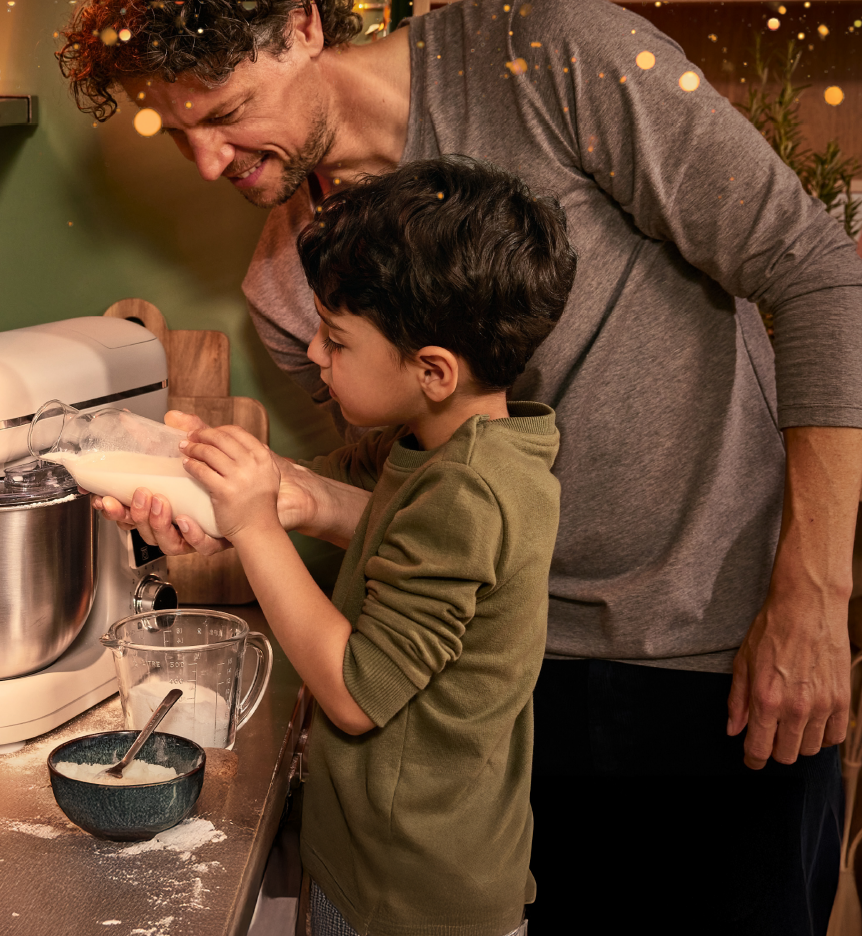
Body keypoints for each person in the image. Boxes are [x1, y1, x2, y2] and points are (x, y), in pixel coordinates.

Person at [58, 1, 862, 931]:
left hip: (707, 658)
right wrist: (289, 497)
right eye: (179, 131)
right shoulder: (293, 288)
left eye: (229, 109)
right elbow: (436, 508)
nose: (208, 163)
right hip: (486, 714)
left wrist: (812, 595)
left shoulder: (554, 55)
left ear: (303, 26)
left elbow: (815, 273)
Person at [173, 155, 575, 936]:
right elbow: (324, 492)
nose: (317, 356)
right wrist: (201, 480)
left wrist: (253, 524)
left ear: (431, 370)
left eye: (337, 339)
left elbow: (356, 695)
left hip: (410, 897)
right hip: (386, 862)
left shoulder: (470, 492)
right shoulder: (450, 445)